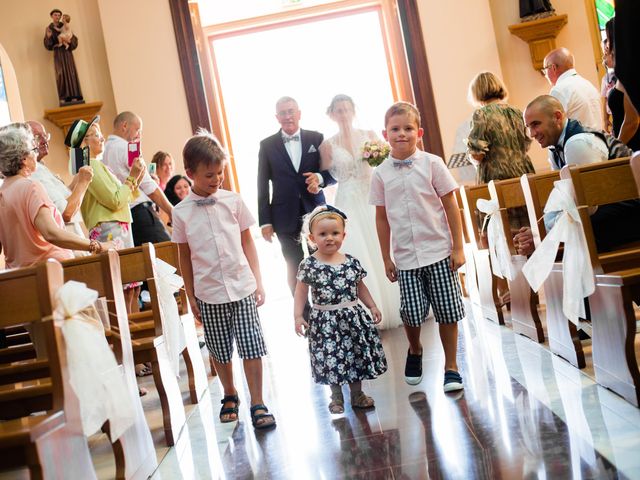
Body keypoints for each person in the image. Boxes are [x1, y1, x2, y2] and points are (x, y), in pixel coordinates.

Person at [173, 130, 275, 430]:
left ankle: (258, 401)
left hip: (241, 285)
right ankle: (230, 393)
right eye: (208, 175)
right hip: (208, 292)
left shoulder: (232, 201)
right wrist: (191, 296)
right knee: (219, 349)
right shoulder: (181, 213)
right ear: (190, 173)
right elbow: (184, 256)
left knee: (251, 345)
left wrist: (258, 280)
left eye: (219, 173)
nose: (216, 179)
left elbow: (247, 243)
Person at [369, 102, 466, 392]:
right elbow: (381, 217)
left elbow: (451, 204)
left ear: (419, 132)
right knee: (411, 312)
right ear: (385, 134)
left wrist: (458, 247)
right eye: (395, 129)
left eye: (408, 128)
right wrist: (386, 257)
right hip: (406, 258)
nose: (402, 134)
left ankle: (451, 367)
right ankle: (415, 349)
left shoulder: (433, 164)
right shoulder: (380, 173)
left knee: (447, 311)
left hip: (438, 250)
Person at [514, 95, 638, 255]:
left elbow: (587, 206)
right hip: (611, 208)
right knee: (574, 230)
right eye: (528, 127)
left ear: (557, 117)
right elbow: (563, 198)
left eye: (536, 124)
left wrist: (543, 233)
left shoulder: (577, 144)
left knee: (582, 229)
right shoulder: (555, 148)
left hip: (632, 207)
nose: (531, 133)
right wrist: (539, 229)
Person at [294, 205, 387, 414]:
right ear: (312, 238)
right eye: (323, 234)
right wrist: (298, 316)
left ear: (343, 235)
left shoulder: (351, 262)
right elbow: (300, 291)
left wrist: (371, 305)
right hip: (325, 321)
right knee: (331, 357)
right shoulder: (309, 265)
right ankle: (336, 397)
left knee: (355, 356)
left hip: (351, 317)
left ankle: (357, 394)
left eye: (335, 233)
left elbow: (360, 286)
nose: (329, 238)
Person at [318, 94, 401, 330]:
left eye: (347, 109)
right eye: (339, 110)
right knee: (358, 250)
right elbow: (326, 178)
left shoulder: (369, 136)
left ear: (353, 111)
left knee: (380, 243)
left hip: (371, 193)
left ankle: (396, 303)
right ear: (332, 114)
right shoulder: (327, 145)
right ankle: (368, 311)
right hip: (347, 198)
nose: (343, 114)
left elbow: (385, 163)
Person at [257, 96, 335, 299]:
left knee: (320, 261)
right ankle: (303, 313)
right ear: (277, 117)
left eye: (291, 111)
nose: (287, 116)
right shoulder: (266, 145)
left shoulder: (316, 138)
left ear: (299, 113)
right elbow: (262, 185)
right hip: (283, 214)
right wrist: (265, 221)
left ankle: (323, 306)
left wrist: (319, 178)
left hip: (315, 212)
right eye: (282, 113)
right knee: (293, 265)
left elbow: (332, 174)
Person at [0, 123, 108, 270]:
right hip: (52, 271)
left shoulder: (3, 192)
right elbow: (51, 233)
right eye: (33, 150)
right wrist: (97, 245)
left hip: (20, 276)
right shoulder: (30, 187)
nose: (36, 154)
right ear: (23, 159)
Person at [69, 117, 146, 313]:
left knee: (132, 289)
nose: (102, 138)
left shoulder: (100, 165)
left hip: (119, 227)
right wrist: (132, 177)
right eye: (96, 135)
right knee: (123, 288)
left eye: (100, 134)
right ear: (85, 142)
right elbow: (114, 200)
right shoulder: (91, 166)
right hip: (110, 229)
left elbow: (124, 197)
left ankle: (134, 332)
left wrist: (136, 177)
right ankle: (128, 334)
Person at [102, 111, 173, 246]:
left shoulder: (103, 151)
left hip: (122, 220)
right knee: (168, 256)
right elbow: (149, 186)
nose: (139, 135)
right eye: (137, 129)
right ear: (124, 126)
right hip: (141, 214)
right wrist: (171, 211)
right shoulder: (127, 147)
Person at [28, 120, 91, 243]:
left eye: (45, 135)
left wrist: (78, 180)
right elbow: (66, 213)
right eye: (37, 137)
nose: (44, 140)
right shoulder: (36, 171)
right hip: (66, 243)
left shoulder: (41, 167)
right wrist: (83, 183)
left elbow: (62, 198)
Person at [542, 48, 602, 130]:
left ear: (553, 68)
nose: (545, 75)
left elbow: (554, 129)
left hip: (579, 141)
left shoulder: (559, 90)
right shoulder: (588, 84)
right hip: (599, 140)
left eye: (545, 70)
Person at [604, 17, 640, 150]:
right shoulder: (624, 68)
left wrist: (616, 149)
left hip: (634, 144)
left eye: (608, 38)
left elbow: (632, 121)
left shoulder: (631, 68)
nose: (607, 44)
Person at [43, 8, 83, 105]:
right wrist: (48, 37)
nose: (57, 17)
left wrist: (69, 41)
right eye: (55, 15)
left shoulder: (65, 25)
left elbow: (74, 40)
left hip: (67, 52)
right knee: (60, 74)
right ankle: (64, 97)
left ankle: (75, 96)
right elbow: (48, 45)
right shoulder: (49, 28)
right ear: (51, 16)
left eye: (58, 15)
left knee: (71, 73)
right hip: (58, 54)